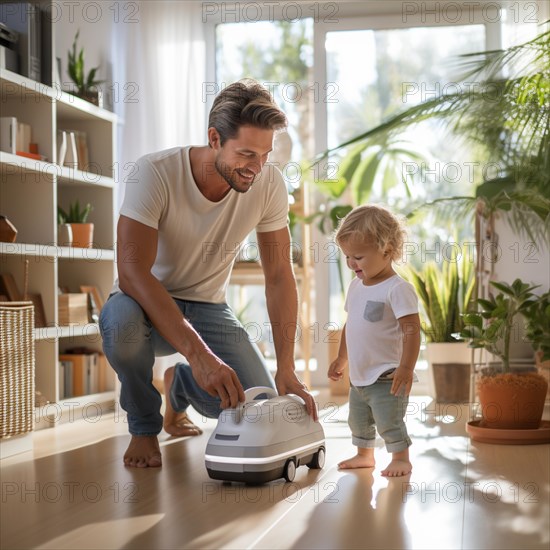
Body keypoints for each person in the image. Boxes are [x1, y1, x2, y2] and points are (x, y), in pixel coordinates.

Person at [99, 79, 317, 468]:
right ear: (214, 138)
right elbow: (132, 272)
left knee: (257, 408)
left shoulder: (269, 184)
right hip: (143, 302)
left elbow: (280, 276)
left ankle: (180, 385)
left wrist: (287, 367)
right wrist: (200, 355)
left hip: (207, 307)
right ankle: (143, 427)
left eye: (265, 155)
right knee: (123, 330)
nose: (257, 168)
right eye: (246, 153)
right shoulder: (154, 172)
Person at [327, 205, 420, 477]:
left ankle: (401, 458)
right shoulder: (356, 286)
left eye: (358, 256)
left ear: (387, 251)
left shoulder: (397, 289)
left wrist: (406, 367)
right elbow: (350, 325)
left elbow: (412, 330)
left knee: (389, 420)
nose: (351, 263)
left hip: (387, 375)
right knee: (358, 420)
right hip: (359, 375)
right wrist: (342, 357)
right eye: (347, 257)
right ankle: (364, 455)